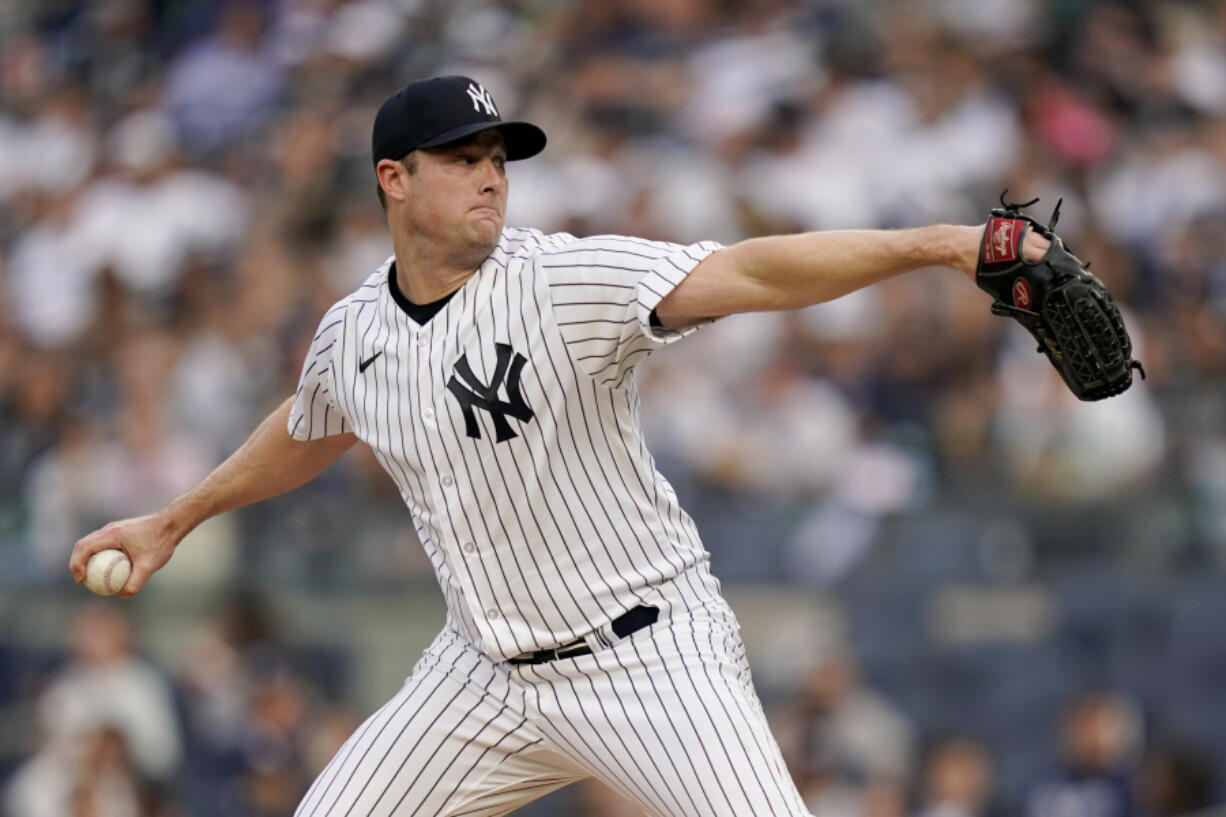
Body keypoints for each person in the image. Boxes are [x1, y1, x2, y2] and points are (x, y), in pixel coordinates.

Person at [70, 75, 1049, 816]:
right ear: (393, 180)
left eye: (497, 156)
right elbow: (309, 424)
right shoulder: (353, 330)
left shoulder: (560, 280)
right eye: (461, 158)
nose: (490, 175)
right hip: (480, 675)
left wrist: (937, 243)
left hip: (648, 654)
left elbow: (750, 270)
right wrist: (173, 517)